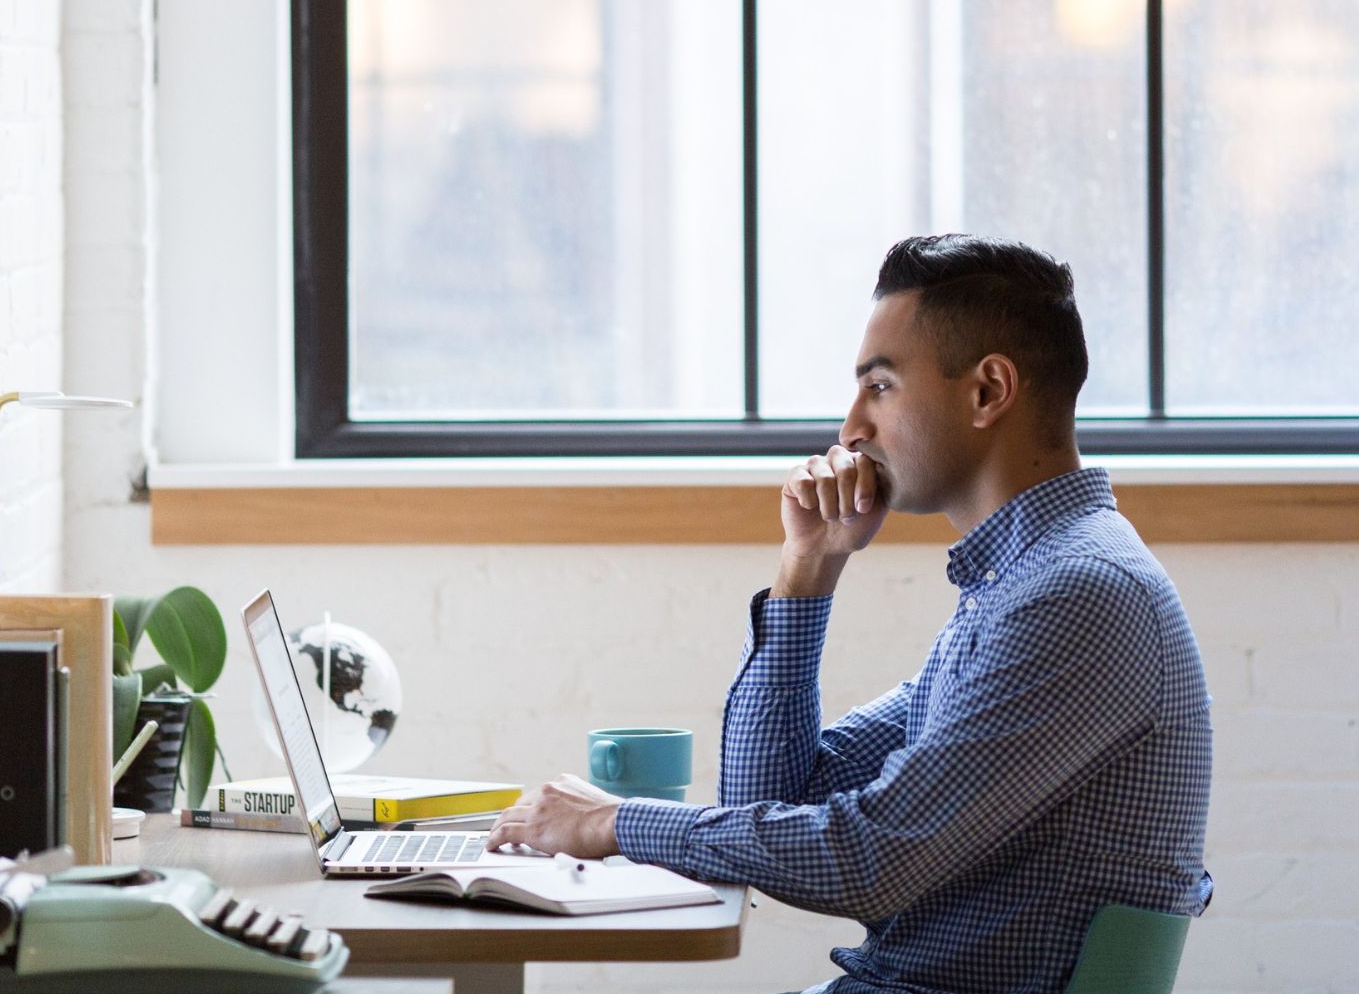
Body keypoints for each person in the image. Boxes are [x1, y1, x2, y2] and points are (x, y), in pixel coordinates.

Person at [486, 234, 1212, 994]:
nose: (849, 429)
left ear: (988, 391)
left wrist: (612, 823)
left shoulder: (1075, 594)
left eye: (881, 386)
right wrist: (809, 567)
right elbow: (768, 803)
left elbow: (869, 862)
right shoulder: (1016, 587)